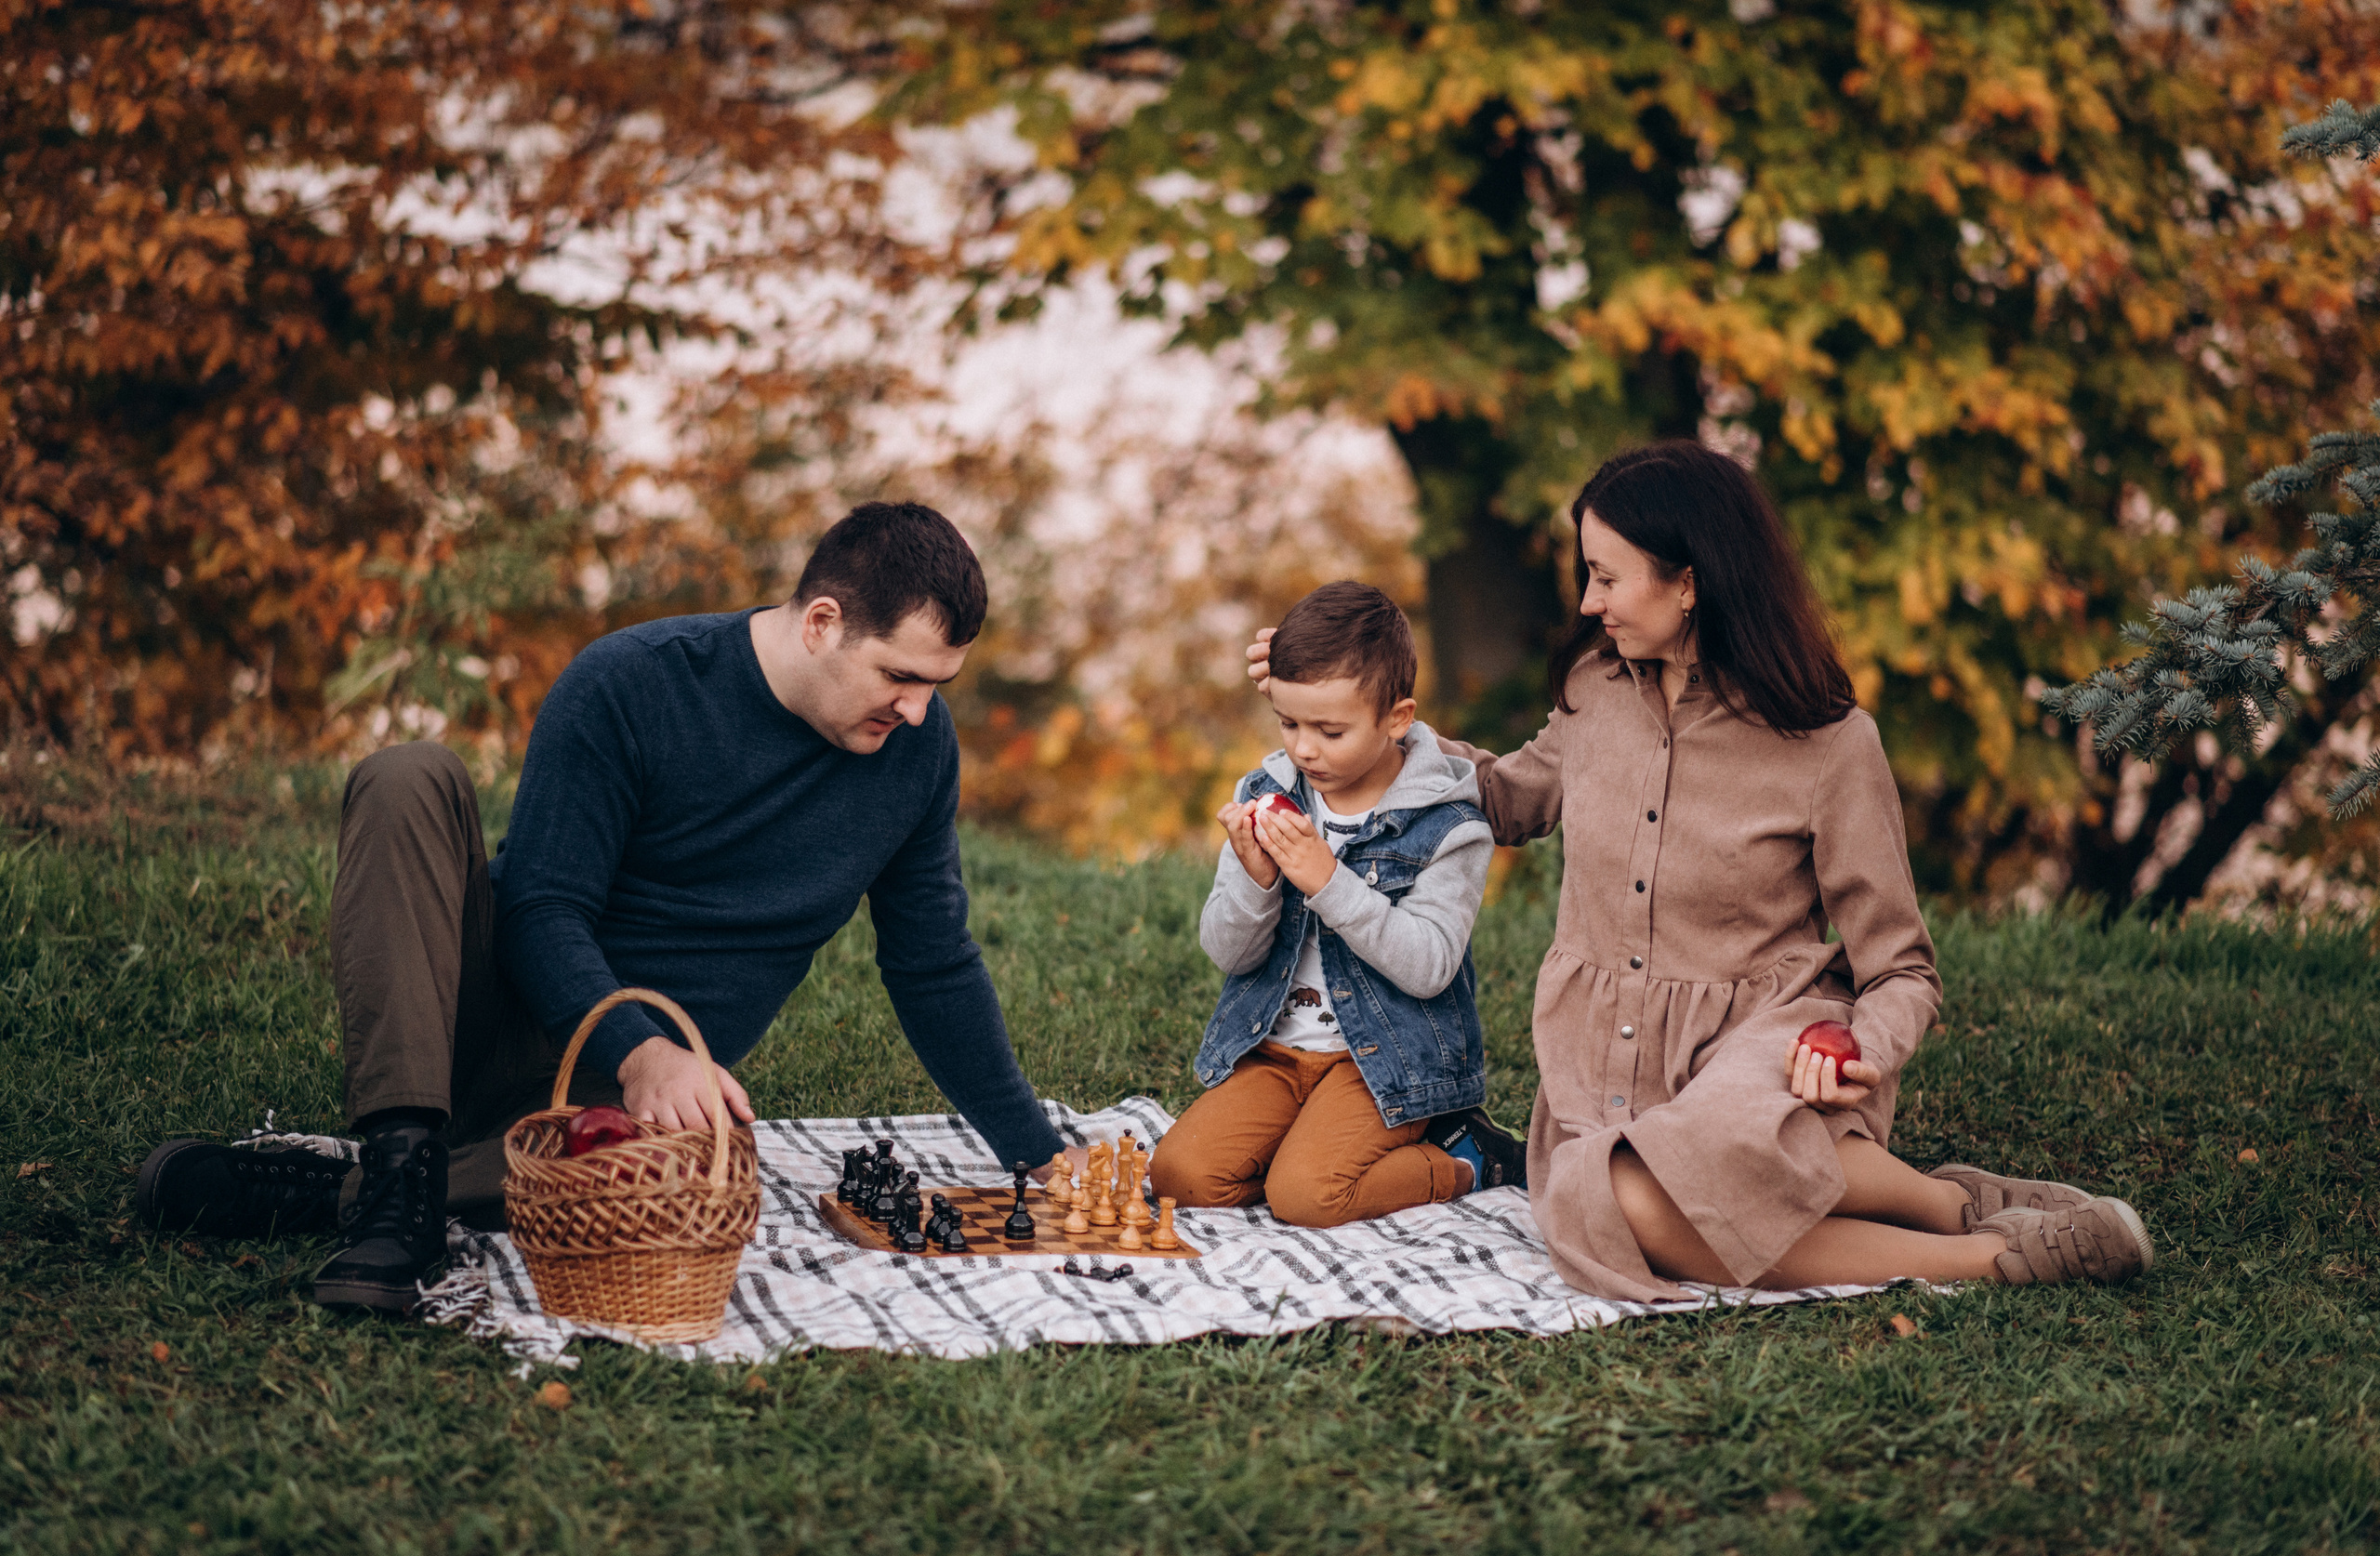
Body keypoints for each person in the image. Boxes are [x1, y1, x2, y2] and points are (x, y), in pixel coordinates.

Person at [135, 502, 1082, 1312]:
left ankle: (374, 1188)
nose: (916, 711)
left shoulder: (917, 754)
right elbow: (543, 908)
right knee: (406, 776)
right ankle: (403, 1153)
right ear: (822, 623)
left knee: (703, 1180)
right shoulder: (633, 682)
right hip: (483, 1020)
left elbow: (931, 962)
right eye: (899, 677)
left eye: (936, 686)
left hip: (625, 1118)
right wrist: (643, 1048)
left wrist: (1034, 1153)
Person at [1249, 443, 2151, 1293]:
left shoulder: (1830, 745)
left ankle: (1986, 1255)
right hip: (1604, 1051)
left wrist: (1860, 1051)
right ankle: (1950, 1199)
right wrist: (1358, 714)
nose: (1588, 604)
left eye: (1605, 577)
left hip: (1762, 1044)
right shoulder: (1594, 692)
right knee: (1602, 1207)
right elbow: (1499, 799)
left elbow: (1901, 969)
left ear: (1689, 584)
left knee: (1644, 1208)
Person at [1149, 581, 1527, 1229]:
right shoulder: (1266, 791)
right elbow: (1226, 952)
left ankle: (1466, 1155)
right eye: (1288, 724)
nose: (1303, 748)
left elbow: (1431, 964)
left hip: (1383, 1061)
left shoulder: (1448, 826)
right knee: (1177, 1177)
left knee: (1306, 1197)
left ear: (1396, 719)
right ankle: (1304, 1144)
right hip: (1276, 1053)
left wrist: (1328, 882)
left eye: (1329, 730)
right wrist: (1258, 880)